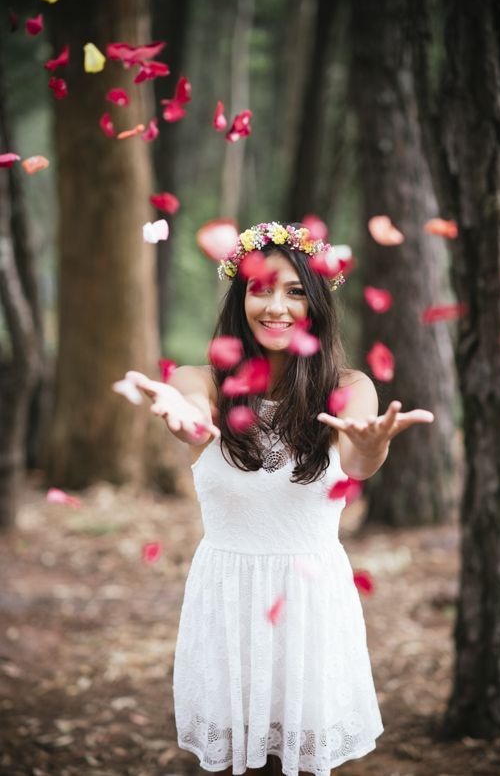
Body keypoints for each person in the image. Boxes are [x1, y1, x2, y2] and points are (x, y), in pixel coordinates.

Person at [123, 222, 434, 776]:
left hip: (310, 606)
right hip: (228, 603)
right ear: (240, 295)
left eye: (294, 291)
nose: (276, 306)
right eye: (261, 288)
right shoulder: (205, 382)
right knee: (230, 764)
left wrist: (371, 446)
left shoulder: (350, 386)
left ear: (315, 302)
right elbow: (193, 417)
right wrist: (187, 417)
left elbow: (359, 458)